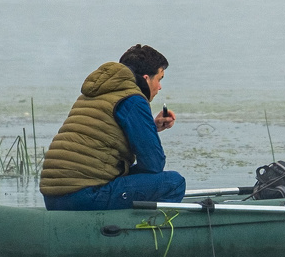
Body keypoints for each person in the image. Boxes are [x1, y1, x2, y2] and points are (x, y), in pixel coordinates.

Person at [41, 44, 186, 210]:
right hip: (85, 195)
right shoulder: (133, 99)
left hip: (53, 197)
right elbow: (153, 164)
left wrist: (151, 127)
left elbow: (105, 134)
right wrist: (147, 133)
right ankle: (144, 226)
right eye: (159, 79)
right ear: (146, 78)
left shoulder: (95, 94)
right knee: (173, 183)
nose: (159, 87)